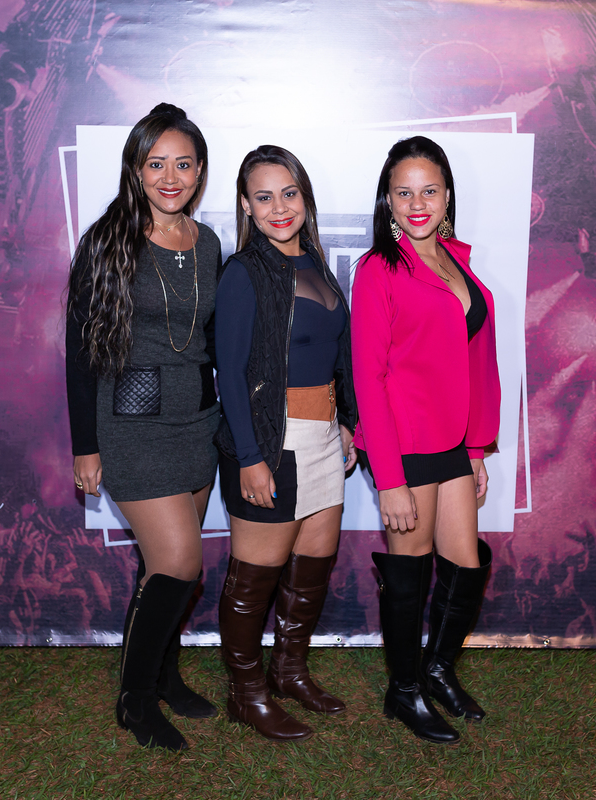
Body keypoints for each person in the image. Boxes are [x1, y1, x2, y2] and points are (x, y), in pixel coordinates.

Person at [65, 103, 220, 752]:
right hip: (132, 424)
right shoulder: (107, 242)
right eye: (156, 163)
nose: (170, 177)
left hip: (198, 420)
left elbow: (213, 340)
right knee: (180, 561)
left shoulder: (208, 244)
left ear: (201, 170)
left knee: (165, 567)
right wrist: (86, 445)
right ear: (135, 168)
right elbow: (79, 350)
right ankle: (133, 701)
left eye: (183, 163)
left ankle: (163, 676)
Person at [351, 136, 500, 744]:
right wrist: (389, 480)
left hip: (452, 442)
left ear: (447, 196)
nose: (418, 204)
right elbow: (368, 377)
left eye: (429, 191)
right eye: (404, 192)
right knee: (410, 569)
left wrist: (476, 449)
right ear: (387, 200)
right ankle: (404, 689)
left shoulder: (455, 260)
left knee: (465, 563)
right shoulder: (379, 269)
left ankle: (437, 669)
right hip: (404, 444)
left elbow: (476, 359)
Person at [214, 145, 357, 741]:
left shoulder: (317, 264)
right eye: (264, 196)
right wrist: (250, 457)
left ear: (305, 198)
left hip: (322, 437)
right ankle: (245, 694)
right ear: (246, 206)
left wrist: (345, 420)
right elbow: (229, 372)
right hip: (271, 443)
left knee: (311, 570)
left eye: (289, 193)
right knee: (256, 578)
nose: (279, 207)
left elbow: (335, 353)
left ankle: (289, 671)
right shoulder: (244, 272)